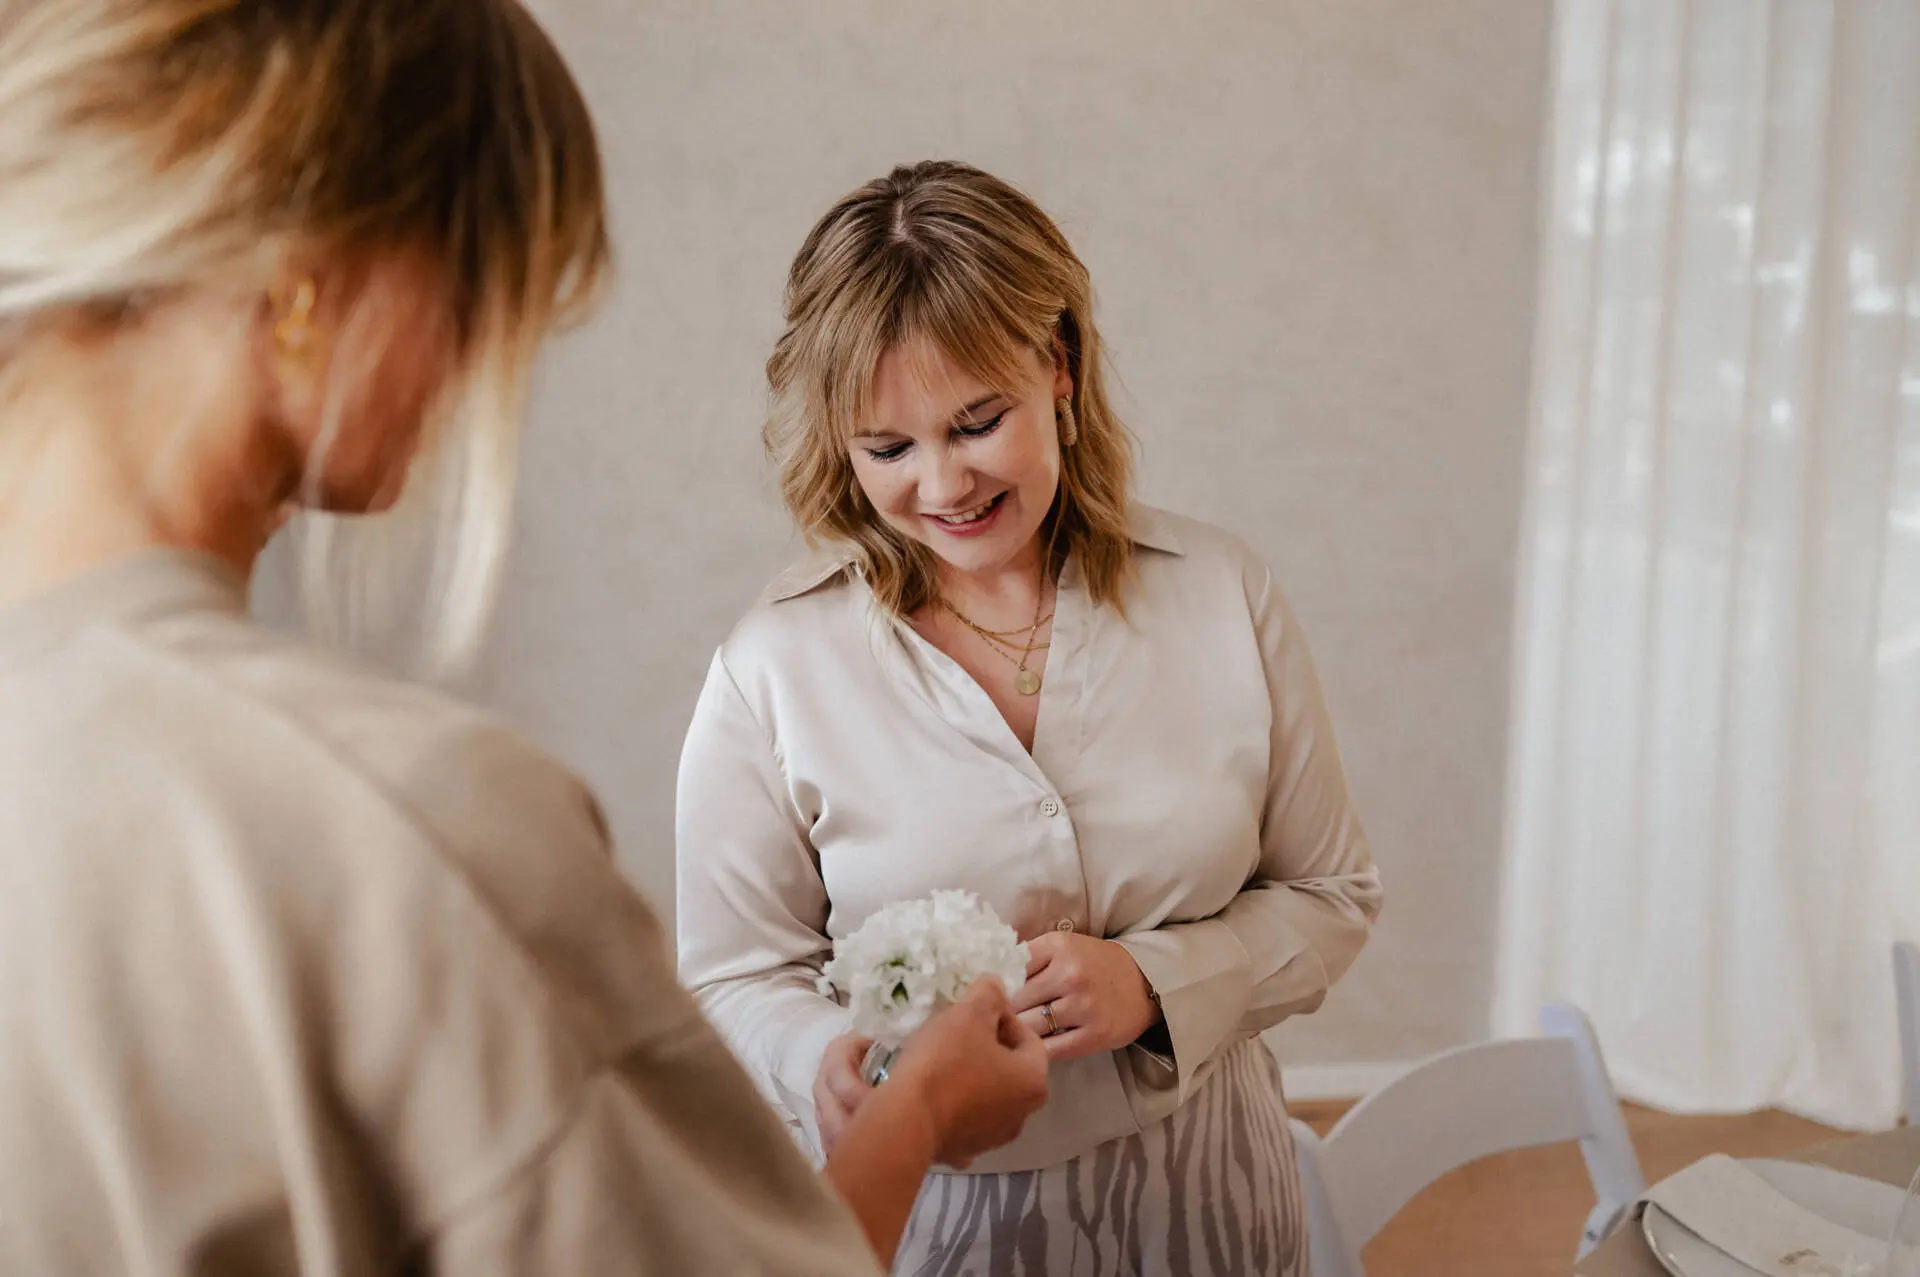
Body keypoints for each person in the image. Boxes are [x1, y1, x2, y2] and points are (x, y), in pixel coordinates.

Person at [0, 7, 1047, 1275]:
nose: (476, 368)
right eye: (488, 288)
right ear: (313, 270)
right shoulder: (411, 819)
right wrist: (920, 1111)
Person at [676, 161, 1386, 1276]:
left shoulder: (1221, 591)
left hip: (1210, 1194)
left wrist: (1156, 979)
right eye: (889, 448)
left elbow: (1334, 895)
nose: (945, 484)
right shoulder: (773, 666)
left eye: (976, 421)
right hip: (929, 1219)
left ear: (1056, 366)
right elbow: (732, 973)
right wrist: (825, 1054)